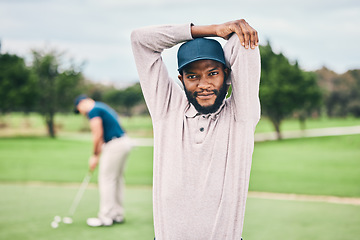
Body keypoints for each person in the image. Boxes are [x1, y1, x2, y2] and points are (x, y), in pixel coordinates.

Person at [131, 19, 260, 239]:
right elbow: (140, 40)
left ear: (227, 74)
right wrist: (212, 31)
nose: (203, 85)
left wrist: (226, 35)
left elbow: (241, 42)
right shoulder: (167, 110)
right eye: (192, 76)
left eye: (212, 73)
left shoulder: (241, 116)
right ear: (181, 80)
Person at [74, 95, 132, 227]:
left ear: (82, 103)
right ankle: (117, 214)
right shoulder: (101, 106)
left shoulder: (93, 110)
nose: (82, 113)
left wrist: (95, 155)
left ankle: (106, 217)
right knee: (116, 179)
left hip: (114, 144)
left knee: (107, 179)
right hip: (123, 142)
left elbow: (97, 133)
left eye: (79, 110)